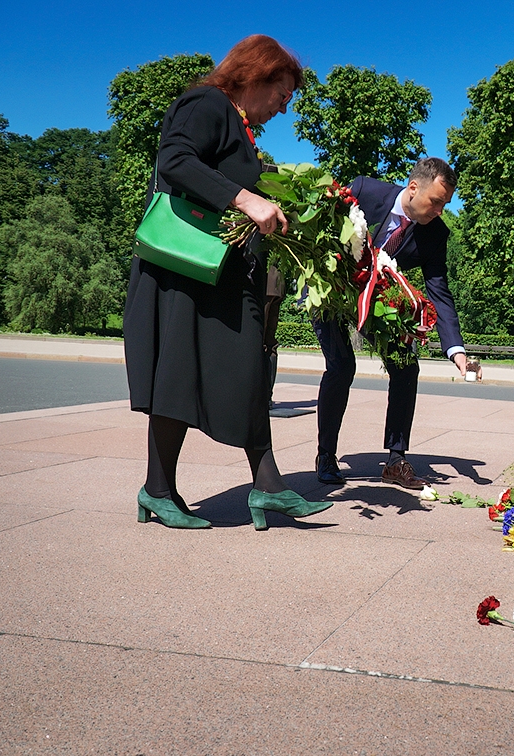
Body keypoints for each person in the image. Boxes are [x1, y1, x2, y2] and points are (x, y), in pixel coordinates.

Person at [124, 35, 330, 530]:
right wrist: (247, 199)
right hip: (184, 271)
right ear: (255, 76)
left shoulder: (240, 128)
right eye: (282, 95)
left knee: (247, 370)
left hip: (217, 275)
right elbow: (174, 161)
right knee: (178, 378)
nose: (284, 108)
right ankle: (162, 489)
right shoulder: (207, 102)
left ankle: (265, 485)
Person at [312, 158, 471, 490]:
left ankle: (396, 459)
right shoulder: (363, 191)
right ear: (414, 188)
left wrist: (455, 349)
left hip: (377, 303)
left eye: (445, 204)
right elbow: (319, 230)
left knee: (406, 366)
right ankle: (326, 455)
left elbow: (439, 291)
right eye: (437, 201)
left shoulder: (435, 234)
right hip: (331, 290)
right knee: (342, 367)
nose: (440, 211)